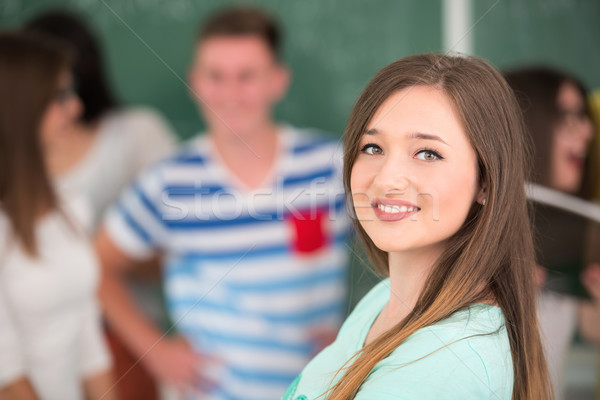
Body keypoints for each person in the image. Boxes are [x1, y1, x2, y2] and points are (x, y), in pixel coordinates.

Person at [96, 6, 349, 400]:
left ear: (277, 81)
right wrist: (154, 349)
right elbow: (98, 264)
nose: (230, 93)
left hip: (321, 390)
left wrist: (364, 332)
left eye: (246, 76)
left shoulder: (332, 165)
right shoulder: (169, 180)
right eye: (215, 76)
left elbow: (412, 247)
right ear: (196, 82)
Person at [283, 53, 553, 400]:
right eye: (373, 147)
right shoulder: (385, 298)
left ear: (485, 182)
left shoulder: (444, 368)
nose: (386, 179)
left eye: (427, 154)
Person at [25, 11, 177, 399]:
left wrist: (105, 253)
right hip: (40, 353)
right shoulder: (16, 168)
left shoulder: (136, 134)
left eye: (65, 88)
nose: (69, 107)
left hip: (128, 343)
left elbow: (175, 257)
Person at [0, 31, 115, 400]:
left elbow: (87, 335)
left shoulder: (70, 204)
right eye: (60, 96)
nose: (76, 108)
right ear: (19, 106)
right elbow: (7, 375)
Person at [506, 66, 599, 400]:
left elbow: (591, 327)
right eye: (567, 117)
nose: (587, 131)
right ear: (528, 126)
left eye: (583, 117)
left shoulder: (585, 225)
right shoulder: (472, 220)